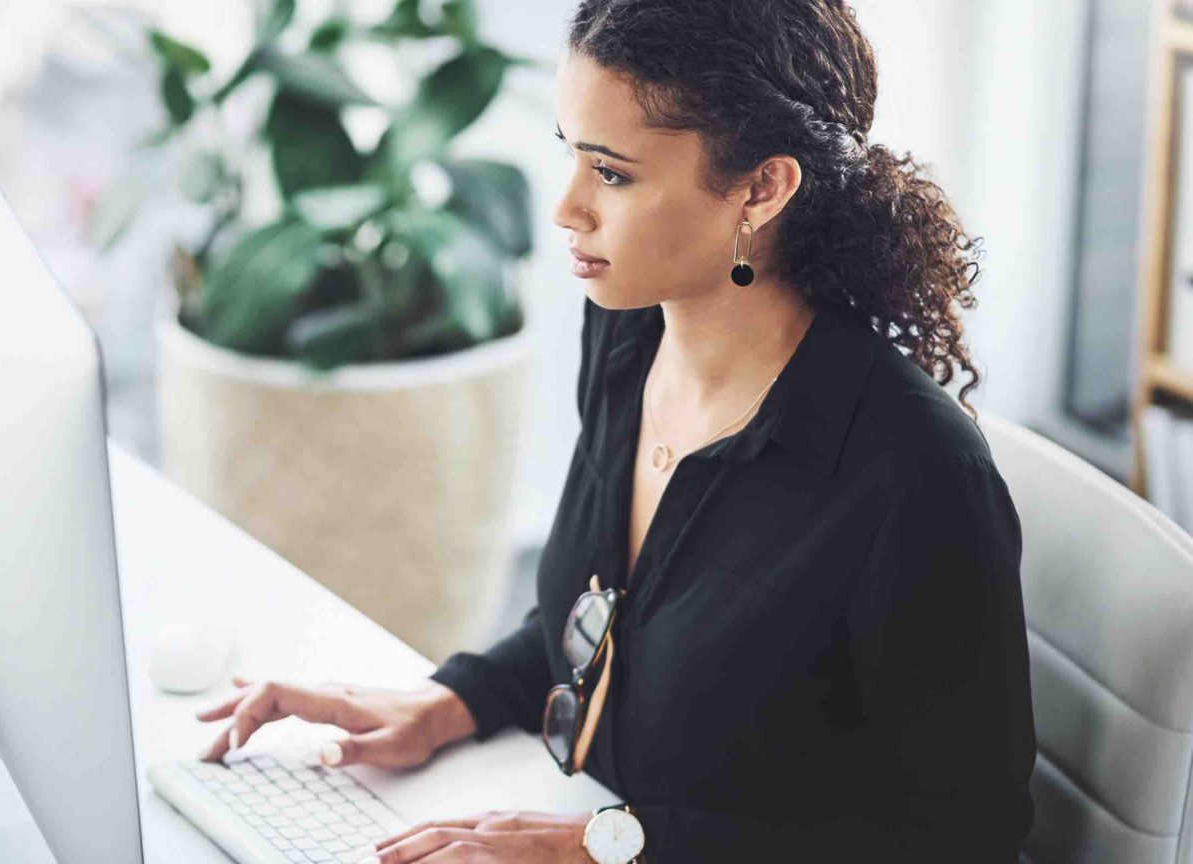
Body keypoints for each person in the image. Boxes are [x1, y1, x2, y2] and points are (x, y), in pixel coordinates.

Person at [195, 1, 1035, 861]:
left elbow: (962, 840)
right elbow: (608, 615)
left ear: (763, 187)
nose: (566, 207)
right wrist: (454, 701)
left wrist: (604, 848)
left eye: (613, 174)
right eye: (572, 154)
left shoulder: (913, 474)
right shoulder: (631, 333)